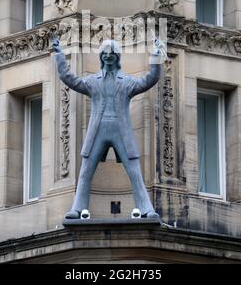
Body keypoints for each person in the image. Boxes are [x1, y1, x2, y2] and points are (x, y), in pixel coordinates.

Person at [52, 37, 166, 220]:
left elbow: (150, 79)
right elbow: (69, 79)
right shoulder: (92, 81)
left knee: (134, 171)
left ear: (117, 56)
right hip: (98, 130)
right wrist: (59, 55)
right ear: (101, 57)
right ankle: (77, 208)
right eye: (105, 54)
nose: (108, 56)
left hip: (121, 130)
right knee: (86, 171)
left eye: (112, 54)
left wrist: (156, 55)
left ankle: (146, 209)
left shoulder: (127, 81)